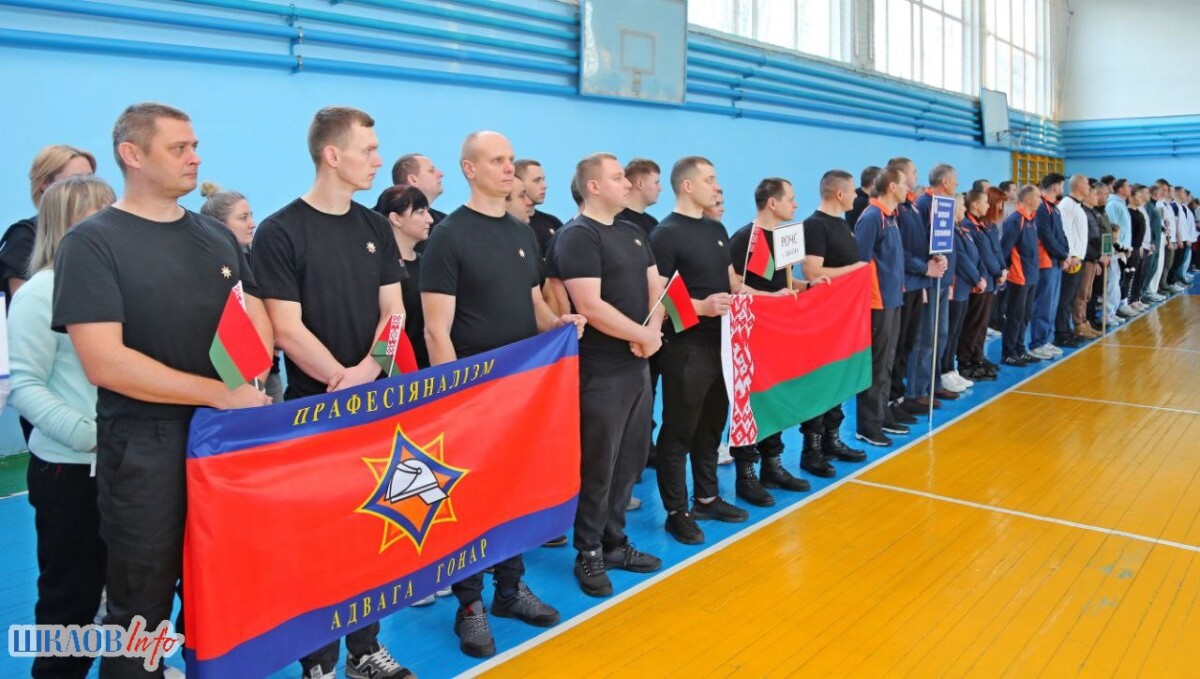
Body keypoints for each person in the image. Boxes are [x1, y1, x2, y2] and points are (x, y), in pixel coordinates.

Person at [53, 102, 274, 678]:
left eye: (194, 145)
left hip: (223, 440)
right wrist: (218, 392)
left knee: (221, 595)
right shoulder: (91, 244)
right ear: (132, 154)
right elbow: (105, 362)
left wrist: (247, 389)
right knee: (141, 609)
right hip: (144, 449)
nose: (195, 157)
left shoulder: (215, 237)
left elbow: (245, 317)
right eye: (179, 148)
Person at [252, 106, 411, 679]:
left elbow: (394, 313)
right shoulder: (279, 231)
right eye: (368, 150)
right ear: (332, 155)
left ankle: (365, 650)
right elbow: (286, 327)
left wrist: (369, 369)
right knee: (320, 542)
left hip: (375, 405)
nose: (377, 160)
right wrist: (342, 380)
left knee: (372, 534)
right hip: (313, 413)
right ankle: (317, 662)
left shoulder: (375, 228)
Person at [422, 130, 584, 658]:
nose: (509, 168)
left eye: (511, 159)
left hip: (521, 395)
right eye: (497, 160)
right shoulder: (449, 236)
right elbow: (436, 329)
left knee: (515, 491)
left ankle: (511, 589)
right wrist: (451, 399)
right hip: (471, 397)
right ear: (469, 169)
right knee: (470, 500)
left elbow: (533, 303)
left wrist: (559, 325)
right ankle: (470, 605)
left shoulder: (522, 232)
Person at [11, 175, 114, 679]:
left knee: (133, 593)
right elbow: (24, 385)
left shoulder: (120, 285)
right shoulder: (39, 293)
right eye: (99, 214)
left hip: (128, 465)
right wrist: (88, 434)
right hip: (70, 473)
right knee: (70, 599)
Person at [555, 152, 664, 598]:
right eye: (618, 177)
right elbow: (591, 306)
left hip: (638, 363)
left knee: (630, 461)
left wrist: (652, 335)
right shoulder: (578, 236)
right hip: (599, 371)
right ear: (594, 186)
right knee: (599, 464)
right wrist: (642, 335)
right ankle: (589, 551)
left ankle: (615, 541)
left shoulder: (633, 231)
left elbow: (657, 287)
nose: (627, 183)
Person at [648, 156, 746, 546]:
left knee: (711, 425)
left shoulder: (716, 228)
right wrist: (701, 307)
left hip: (721, 344)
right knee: (679, 431)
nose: (716, 186)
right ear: (687, 186)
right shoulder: (665, 234)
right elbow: (657, 295)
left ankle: (706, 498)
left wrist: (767, 297)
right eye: (709, 179)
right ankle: (676, 512)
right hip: (685, 346)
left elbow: (731, 282)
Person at [727, 178, 822, 501]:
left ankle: (772, 464)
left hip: (779, 332)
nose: (796, 204)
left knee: (775, 397)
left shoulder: (783, 237)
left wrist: (807, 286)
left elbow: (782, 282)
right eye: (790, 199)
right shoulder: (747, 239)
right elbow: (736, 285)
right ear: (772, 202)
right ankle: (746, 473)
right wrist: (770, 297)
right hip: (752, 333)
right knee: (751, 402)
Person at [801, 170, 870, 471]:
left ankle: (832, 437)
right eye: (852, 191)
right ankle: (811, 448)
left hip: (843, 317)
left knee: (838, 380)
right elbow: (813, 272)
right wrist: (856, 269)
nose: (856, 196)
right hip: (821, 318)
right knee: (820, 382)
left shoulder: (843, 224)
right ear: (840, 194)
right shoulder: (814, 226)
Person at [200, 182, 285, 403]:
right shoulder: (204, 267)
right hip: (224, 376)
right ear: (219, 225)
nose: (252, 224)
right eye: (243, 218)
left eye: (251, 216)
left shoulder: (260, 259)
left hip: (267, 372)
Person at [853, 167, 907, 447]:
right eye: (904, 183)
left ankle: (882, 413)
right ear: (892, 187)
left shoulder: (891, 217)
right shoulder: (872, 217)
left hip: (893, 298)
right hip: (877, 302)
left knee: (887, 362)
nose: (909, 187)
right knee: (876, 364)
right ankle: (868, 425)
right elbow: (860, 262)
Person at [2, 145, 96, 301]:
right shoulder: (24, 237)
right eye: (76, 180)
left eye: (91, 179)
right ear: (45, 185)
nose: (88, 188)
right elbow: (25, 305)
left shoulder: (97, 230)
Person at [890, 158, 943, 419]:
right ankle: (892, 401)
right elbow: (900, 251)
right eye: (913, 172)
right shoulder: (896, 211)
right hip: (903, 285)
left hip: (917, 283)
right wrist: (923, 268)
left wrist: (933, 258)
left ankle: (901, 397)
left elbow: (919, 243)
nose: (917, 175)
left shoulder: (911, 206)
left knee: (908, 344)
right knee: (898, 346)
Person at [910, 164, 960, 405]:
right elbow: (918, 244)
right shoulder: (923, 204)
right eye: (954, 180)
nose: (957, 184)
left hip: (943, 279)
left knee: (941, 335)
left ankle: (934, 383)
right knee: (926, 338)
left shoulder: (946, 205)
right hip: (928, 280)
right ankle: (917, 390)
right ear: (945, 182)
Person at [957, 188, 1004, 380]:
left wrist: (1001, 269)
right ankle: (966, 362)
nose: (988, 206)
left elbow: (994, 251)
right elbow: (980, 256)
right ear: (975, 204)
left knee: (982, 324)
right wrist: (994, 273)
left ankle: (977, 357)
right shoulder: (968, 226)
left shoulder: (982, 225)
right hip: (978, 282)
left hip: (987, 280)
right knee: (973, 324)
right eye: (985, 202)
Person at [999, 185, 1043, 366]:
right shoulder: (1015, 220)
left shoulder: (1031, 220)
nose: (1040, 200)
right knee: (1015, 316)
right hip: (1018, 277)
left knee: (1025, 316)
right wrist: (1005, 270)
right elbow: (1004, 249)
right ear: (1028, 199)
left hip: (1031, 275)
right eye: (1038, 197)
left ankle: (1019, 348)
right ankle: (1008, 353)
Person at [943, 195, 984, 388]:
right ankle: (944, 371)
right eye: (961, 207)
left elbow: (975, 255)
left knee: (957, 331)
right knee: (950, 332)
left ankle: (951, 369)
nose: (964, 210)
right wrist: (976, 277)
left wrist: (979, 275)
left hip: (965, 288)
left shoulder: (961, 230)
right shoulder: (952, 232)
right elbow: (961, 259)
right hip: (957, 287)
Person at [1028, 173, 1070, 360]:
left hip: (1056, 261)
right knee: (1043, 303)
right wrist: (1061, 254)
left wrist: (1065, 253)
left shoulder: (1054, 208)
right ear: (1055, 187)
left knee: (1052, 303)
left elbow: (1061, 234)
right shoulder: (1042, 208)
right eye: (1062, 185)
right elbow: (1046, 236)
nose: (1063, 189)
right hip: (1045, 262)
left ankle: (1045, 339)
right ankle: (1037, 343)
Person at [1056, 174, 1091, 347]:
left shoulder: (1078, 206)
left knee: (1070, 298)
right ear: (1078, 186)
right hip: (1072, 260)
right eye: (1087, 184)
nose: (1089, 187)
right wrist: (1071, 255)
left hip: (1079, 258)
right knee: (1065, 299)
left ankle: (1068, 330)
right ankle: (1061, 333)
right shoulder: (1066, 205)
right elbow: (1065, 232)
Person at [515, 158, 563, 252]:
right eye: (537, 181)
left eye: (543, 179)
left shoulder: (552, 222)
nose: (544, 186)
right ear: (518, 183)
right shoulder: (510, 224)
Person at [391, 152, 447, 225]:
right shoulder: (379, 222)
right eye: (431, 171)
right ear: (413, 180)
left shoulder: (445, 223)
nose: (441, 174)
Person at [617, 157, 662, 236]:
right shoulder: (616, 221)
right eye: (656, 182)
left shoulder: (653, 223)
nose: (660, 188)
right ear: (640, 184)